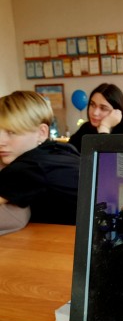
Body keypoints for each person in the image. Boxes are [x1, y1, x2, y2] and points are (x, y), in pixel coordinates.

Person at [0, 91, 80, 226]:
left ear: (42, 132)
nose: (1, 141)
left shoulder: (28, 167)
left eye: (11, 132)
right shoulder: (60, 149)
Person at [68, 83, 123, 152]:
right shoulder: (86, 128)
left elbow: (106, 159)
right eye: (92, 105)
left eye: (103, 108)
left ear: (117, 112)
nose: (95, 113)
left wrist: (104, 127)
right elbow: (67, 152)